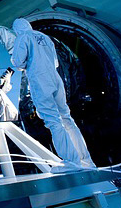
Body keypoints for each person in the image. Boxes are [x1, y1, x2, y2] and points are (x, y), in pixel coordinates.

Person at [11, 18, 95, 172]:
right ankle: (86, 161)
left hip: (40, 79)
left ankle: (71, 161)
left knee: (53, 121)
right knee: (67, 119)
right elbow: (55, 63)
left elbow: (17, 62)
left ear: (17, 29)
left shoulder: (23, 37)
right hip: (56, 79)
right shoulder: (45, 37)